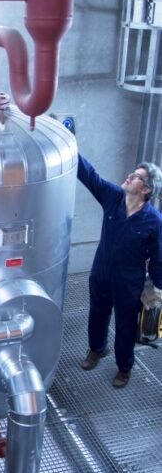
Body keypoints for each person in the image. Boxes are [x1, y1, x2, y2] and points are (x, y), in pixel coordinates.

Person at [77, 154, 162, 387]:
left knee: (125, 325)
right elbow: (90, 176)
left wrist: (157, 289)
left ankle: (124, 367)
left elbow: (158, 258)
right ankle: (97, 349)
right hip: (101, 273)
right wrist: (69, 144)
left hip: (129, 282)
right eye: (133, 173)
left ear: (146, 189)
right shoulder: (113, 197)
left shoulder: (153, 221)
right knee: (97, 314)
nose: (129, 176)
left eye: (136, 177)